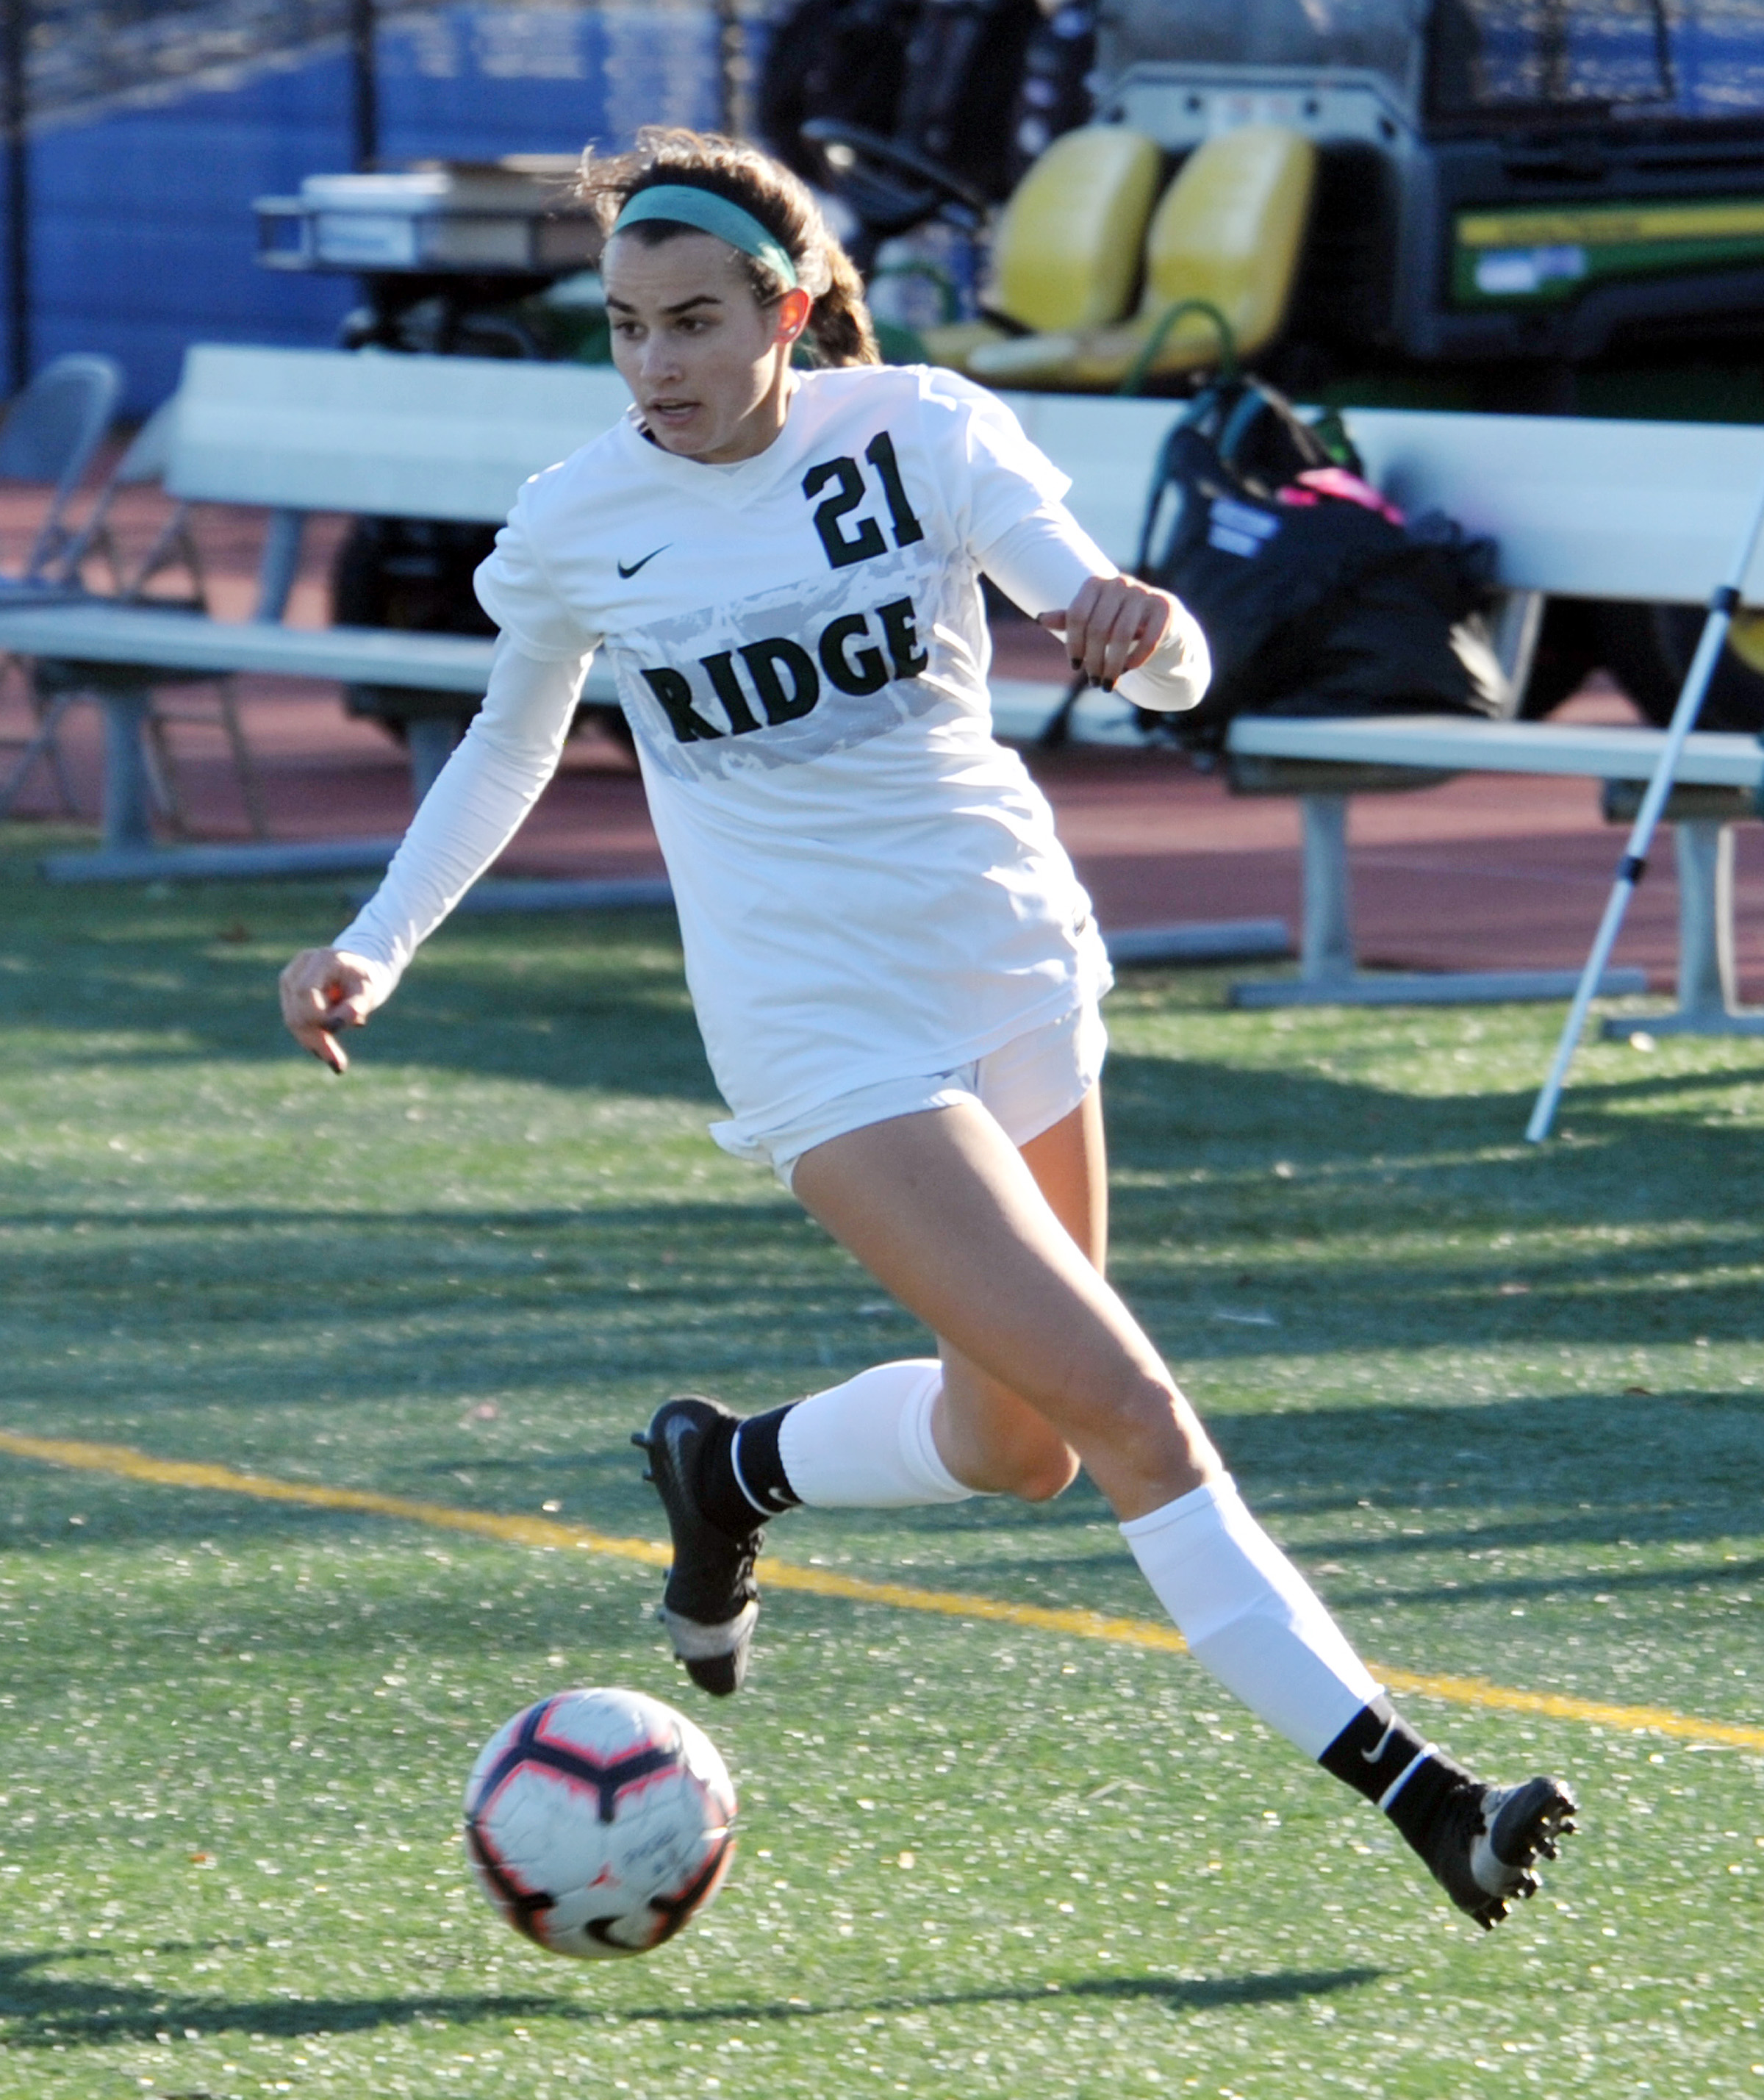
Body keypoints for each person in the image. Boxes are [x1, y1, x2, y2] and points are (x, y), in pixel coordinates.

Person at [279, 126, 1576, 1930]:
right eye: (627, 327)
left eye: (695, 322)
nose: (657, 363)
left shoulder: (927, 431)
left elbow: (1161, 652)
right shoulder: (585, 517)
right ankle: (1423, 1791)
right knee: (1130, 1412)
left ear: (789, 311)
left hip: (1016, 962)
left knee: (1021, 1443)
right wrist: (377, 943)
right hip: (822, 1033)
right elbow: (511, 744)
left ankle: (728, 1468)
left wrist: (1146, 628)